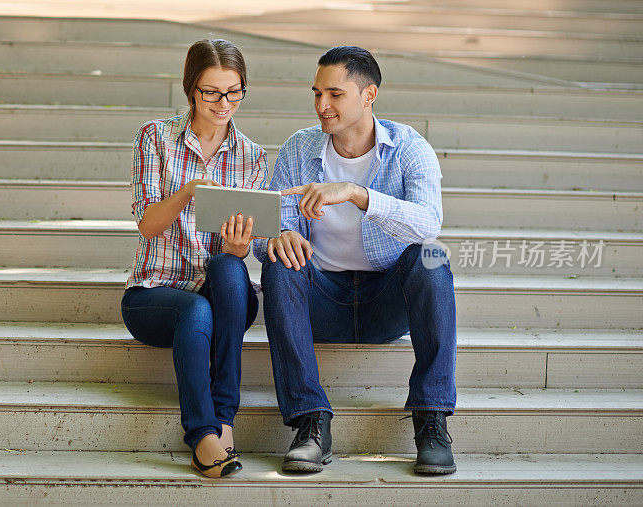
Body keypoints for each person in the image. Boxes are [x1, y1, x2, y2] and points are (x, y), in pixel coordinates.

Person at [252, 46, 457, 475]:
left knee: (432, 257)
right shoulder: (298, 149)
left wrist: (357, 194)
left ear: (369, 95)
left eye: (334, 94)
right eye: (315, 93)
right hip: (322, 301)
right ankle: (310, 421)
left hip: (386, 301)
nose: (321, 105)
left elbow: (429, 223)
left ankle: (431, 417)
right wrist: (279, 235)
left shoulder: (408, 148)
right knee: (277, 262)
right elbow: (264, 235)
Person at [121, 39, 267, 478]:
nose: (224, 103)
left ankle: (223, 420)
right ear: (190, 89)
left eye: (234, 91)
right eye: (211, 92)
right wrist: (188, 191)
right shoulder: (155, 138)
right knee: (196, 309)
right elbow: (147, 225)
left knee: (228, 267)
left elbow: (236, 254)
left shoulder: (252, 157)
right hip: (154, 294)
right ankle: (204, 433)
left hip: (220, 293)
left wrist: (239, 247)